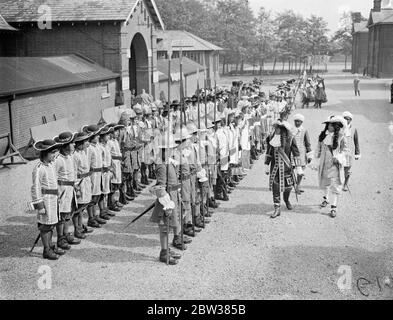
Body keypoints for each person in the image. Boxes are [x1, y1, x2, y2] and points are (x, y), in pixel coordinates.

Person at [150, 132, 184, 264]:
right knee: (164, 227)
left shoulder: (169, 162)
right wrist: (167, 204)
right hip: (166, 200)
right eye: (170, 148)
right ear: (165, 149)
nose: (173, 150)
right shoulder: (161, 164)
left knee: (170, 225)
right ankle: (164, 253)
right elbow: (160, 188)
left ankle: (167, 249)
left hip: (173, 197)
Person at [31, 139, 65, 260]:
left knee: (52, 224)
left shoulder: (51, 165)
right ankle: (46, 250)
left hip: (53, 199)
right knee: (45, 226)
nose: (54, 155)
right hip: (45, 201)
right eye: (52, 153)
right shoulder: (39, 168)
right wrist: (39, 205)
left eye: (55, 152)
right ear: (45, 153)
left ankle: (51, 245)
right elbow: (35, 188)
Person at [265, 120, 302, 219]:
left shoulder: (290, 139)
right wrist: (266, 165)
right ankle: (277, 208)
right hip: (275, 168)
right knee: (275, 188)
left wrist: (299, 167)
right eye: (275, 127)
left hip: (286, 167)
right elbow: (268, 152)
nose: (275, 129)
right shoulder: (271, 138)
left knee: (288, 187)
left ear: (282, 129)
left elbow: (296, 153)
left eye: (277, 128)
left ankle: (286, 200)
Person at [312, 116, 348, 218]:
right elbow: (318, 147)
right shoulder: (324, 135)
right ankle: (326, 198)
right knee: (325, 181)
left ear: (336, 126)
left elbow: (345, 150)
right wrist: (315, 159)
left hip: (334, 163)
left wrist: (339, 157)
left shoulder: (341, 136)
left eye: (331, 125)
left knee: (335, 184)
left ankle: (334, 206)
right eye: (327, 124)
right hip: (324, 162)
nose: (328, 126)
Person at [73, 131, 94, 235]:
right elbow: (74, 172)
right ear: (80, 143)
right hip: (79, 183)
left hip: (86, 181)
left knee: (84, 205)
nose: (87, 143)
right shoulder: (75, 155)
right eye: (86, 141)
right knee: (78, 208)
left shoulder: (84, 152)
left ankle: (81, 225)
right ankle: (77, 228)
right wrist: (76, 187)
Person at [291, 114, 313, 194]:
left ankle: (298, 186)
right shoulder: (290, 130)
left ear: (302, 122)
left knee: (301, 172)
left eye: (299, 121)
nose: (297, 123)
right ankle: (291, 185)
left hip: (301, 154)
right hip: (291, 153)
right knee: (291, 170)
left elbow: (307, 143)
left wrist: (309, 155)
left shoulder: (304, 130)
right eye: (296, 121)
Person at [342, 112, 361, 192]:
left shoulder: (353, 129)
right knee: (339, 169)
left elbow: (356, 141)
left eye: (348, 119)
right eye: (345, 118)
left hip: (350, 153)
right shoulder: (340, 128)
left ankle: (345, 184)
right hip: (341, 152)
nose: (346, 120)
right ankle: (339, 183)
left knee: (348, 170)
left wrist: (357, 153)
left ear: (351, 120)